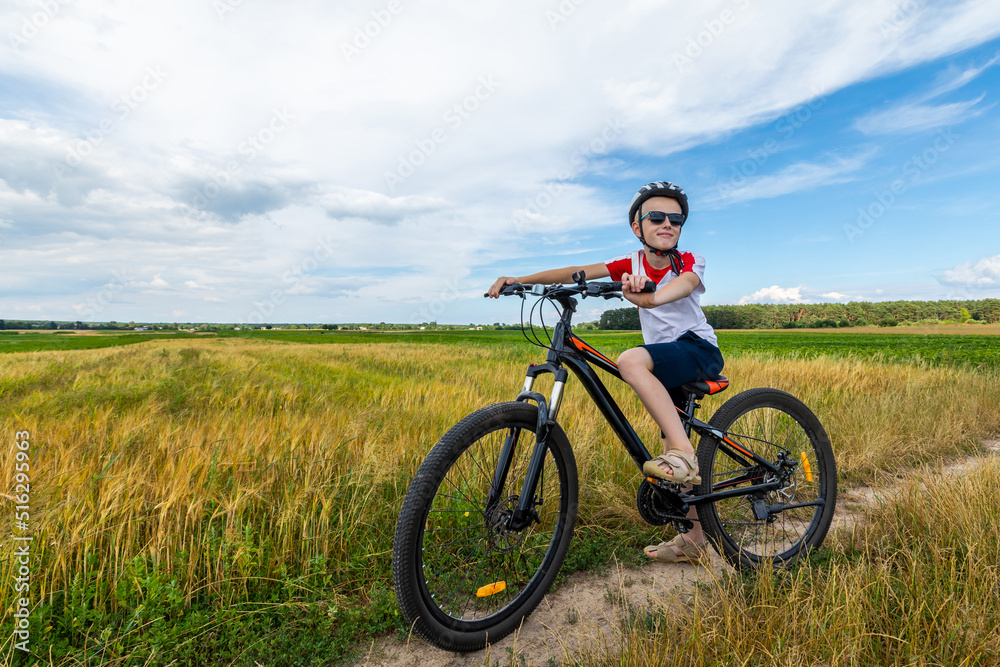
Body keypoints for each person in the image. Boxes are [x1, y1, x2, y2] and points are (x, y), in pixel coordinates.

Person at [487, 181, 724, 564]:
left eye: (676, 219)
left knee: (631, 361)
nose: (668, 224)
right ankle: (694, 540)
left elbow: (675, 291)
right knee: (670, 451)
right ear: (637, 227)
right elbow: (574, 271)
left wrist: (641, 294)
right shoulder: (628, 263)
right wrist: (522, 280)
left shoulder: (688, 262)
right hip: (665, 360)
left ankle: (684, 453)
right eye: (657, 217)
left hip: (698, 350)